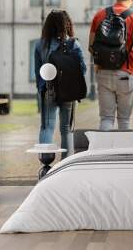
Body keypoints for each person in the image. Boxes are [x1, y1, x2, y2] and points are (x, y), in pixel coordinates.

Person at [88, 0, 133, 130]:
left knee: (106, 119)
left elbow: (91, 46)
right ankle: (123, 154)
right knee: (124, 120)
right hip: (126, 74)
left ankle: (103, 152)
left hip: (104, 73)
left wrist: (100, 66)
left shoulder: (100, 15)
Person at [34, 10, 86, 158]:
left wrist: (42, 90)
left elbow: (38, 72)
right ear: (67, 25)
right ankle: (66, 163)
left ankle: (46, 162)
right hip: (68, 91)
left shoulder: (40, 45)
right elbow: (83, 68)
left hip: (48, 91)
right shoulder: (74, 44)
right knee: (67, 129)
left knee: (47, 128)